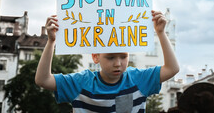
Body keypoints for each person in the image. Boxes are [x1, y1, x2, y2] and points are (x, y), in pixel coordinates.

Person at [35, 10, 179, 112]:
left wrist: (160, 33)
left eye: (123, 56)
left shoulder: (139, 78)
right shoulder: (81, 82)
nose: (118, 63)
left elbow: (172, 69)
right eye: (110, 57)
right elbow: (43, 80)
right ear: (95, 57)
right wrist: (51, 42)